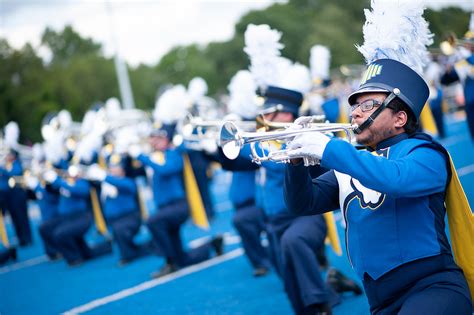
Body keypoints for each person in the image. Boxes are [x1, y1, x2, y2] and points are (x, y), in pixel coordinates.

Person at [284, 58, 473, 315]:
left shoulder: (427, 154)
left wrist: (331, 148)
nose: (355, 113)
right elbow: (302, 203)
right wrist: (294, 163)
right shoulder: (354, 164)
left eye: (368, 104)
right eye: (355, 106)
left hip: (433, 288)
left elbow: (396, 179)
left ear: (400, 118)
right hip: (380, 301)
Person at [86, 154, 151, 266]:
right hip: (115, 221)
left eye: (116, 167)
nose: (113, 169)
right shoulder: (107, 183)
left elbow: (125, 185)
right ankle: (136, 251)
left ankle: (131, 255)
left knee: (120, 231)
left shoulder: (127, 181)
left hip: (129, 218)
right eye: (111, 167)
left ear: (122, 169)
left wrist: (104, 177)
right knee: (118, 233)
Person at [440, 13, 474, 141]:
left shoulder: (467, 59)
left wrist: (465, 56)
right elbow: (445, 81)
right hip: (470, 107)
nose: (467, 45)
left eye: (471, 42)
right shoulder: (462, 62)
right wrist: (448, 71)